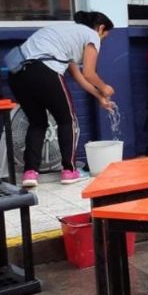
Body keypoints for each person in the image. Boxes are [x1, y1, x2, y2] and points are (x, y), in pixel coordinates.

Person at [8, 11, 115, 187]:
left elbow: (80, 78)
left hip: (18, 74)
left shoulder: (65, 35)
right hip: (45, 70)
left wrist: (99, 97)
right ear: (101, 28)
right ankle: (69, 170)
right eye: (104, 37)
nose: (101, 41)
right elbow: (89, 73)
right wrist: (104, 87)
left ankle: (30, 173)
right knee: (67, 120)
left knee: (37, 123)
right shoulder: (91, 35)